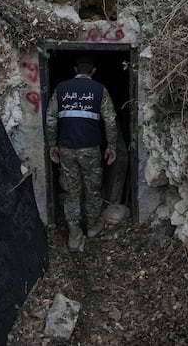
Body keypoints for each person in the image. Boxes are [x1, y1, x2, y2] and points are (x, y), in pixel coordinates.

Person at [46, 54, 117, 253]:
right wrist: (112, 146)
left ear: (75, 70)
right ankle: (93, 226)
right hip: (91, 149)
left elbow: (51, 120)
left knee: (71, 190)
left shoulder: (61, 89)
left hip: (66, 149)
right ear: (93, 71)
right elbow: (110, 120)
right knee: (92, 188)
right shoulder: (99, 89)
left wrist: (53, 145)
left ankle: (74, 234)